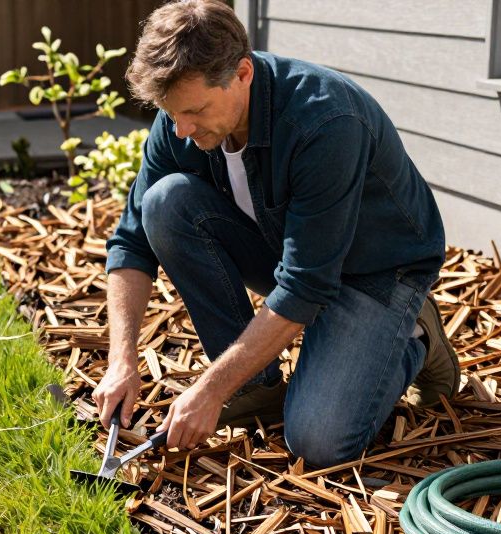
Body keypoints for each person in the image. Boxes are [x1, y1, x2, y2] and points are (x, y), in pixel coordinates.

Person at [92, 0, 459, 468]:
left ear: (242, 73)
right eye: (171, 113)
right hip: (291, 249)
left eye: (195, 110)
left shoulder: (325, 122)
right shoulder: (182, 120)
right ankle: (256, 388)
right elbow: (131, 242)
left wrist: (208, 390)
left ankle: (414, 337)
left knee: (317, 443)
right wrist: (121, 360)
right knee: (164, 204)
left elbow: (304, 286)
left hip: (377, 271)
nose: (180, 129)